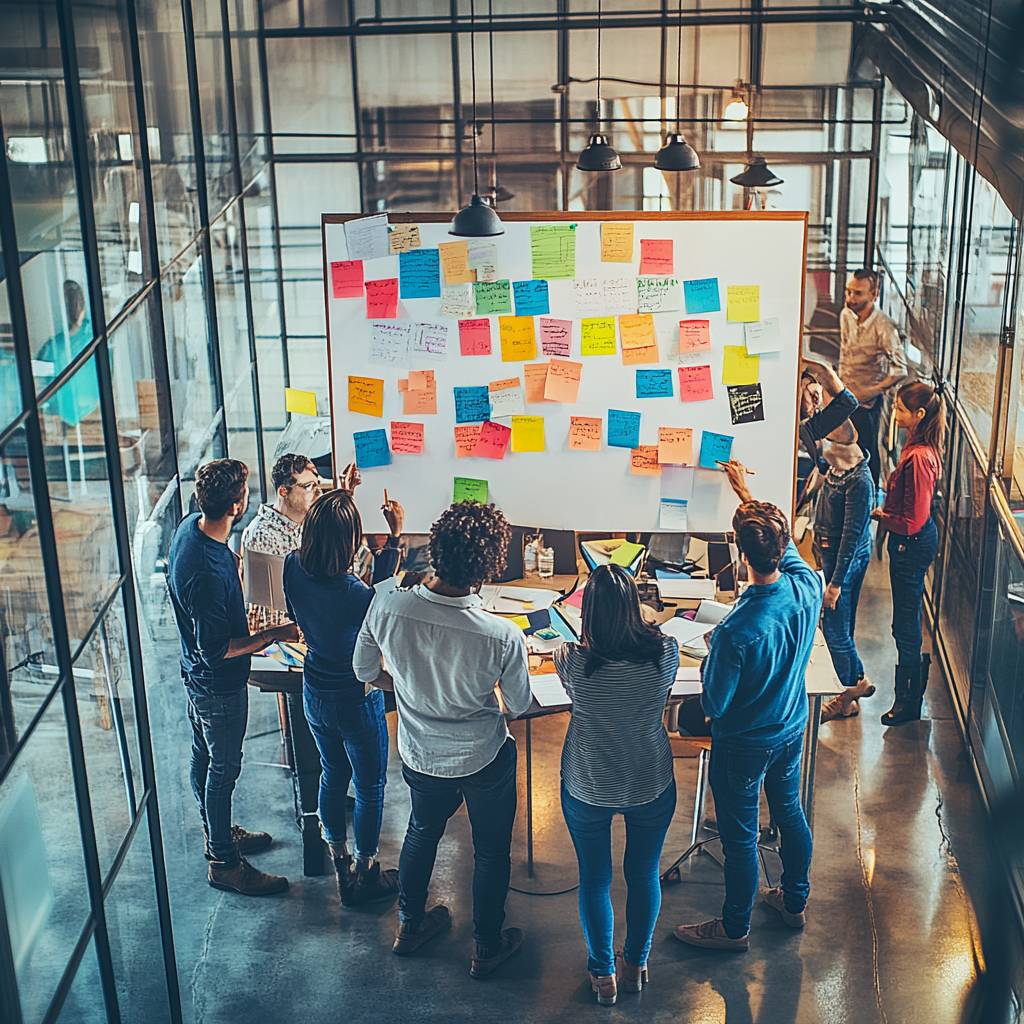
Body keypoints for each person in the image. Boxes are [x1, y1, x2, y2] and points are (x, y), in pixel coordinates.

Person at [352, 501, 531, 979]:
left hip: (420, 751)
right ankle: (487, 946)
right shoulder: (502, 633)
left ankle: (409, 926)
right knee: (491, 851)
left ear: (435, 548)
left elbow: (365, 671)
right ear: (488, 567)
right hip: (483, 757)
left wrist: (410, 687)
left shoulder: (387, 603)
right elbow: (518, 703)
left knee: (421, 831)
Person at [674, 462, 821, 951]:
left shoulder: (736, 631)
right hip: (790, 726)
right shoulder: (807, 585)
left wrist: (712, 649)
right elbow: (782, 543)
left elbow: (715, 703)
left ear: (741, 555)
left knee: (739, 838)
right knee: (790, 810)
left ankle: (734, 928)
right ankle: (793, 901)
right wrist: (745, 492)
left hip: (745, 744)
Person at [167, 459, 297, 896]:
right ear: (238, 505)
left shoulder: (191, 528)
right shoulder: (207, 574)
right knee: (222, 770)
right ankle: (223, 862)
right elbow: (217, 649)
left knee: (203, 757)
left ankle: (217, 833)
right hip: (217, 686)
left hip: (194, 678)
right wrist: (272, 634)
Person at [555, 564, 679, 1006]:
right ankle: (635, 966)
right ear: (634, 607)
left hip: (589, 782)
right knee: (643, 873)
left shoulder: (573, 661)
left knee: (595, 879)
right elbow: (658, 641)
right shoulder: (665, 653)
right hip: (649, 779)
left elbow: (568, 655)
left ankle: (602, 973)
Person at [283, 488, 405, 908]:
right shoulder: (356, 594)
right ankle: (367, 872)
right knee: (370, 785)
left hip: (314, 690)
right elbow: (384, 606)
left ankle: (340, 862)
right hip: (355, 697)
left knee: (331, 774)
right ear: (350, 543)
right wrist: (394, 541)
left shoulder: (291, 568)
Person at [872, 381, 945, 726]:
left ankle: (908, 702)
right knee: (907, 616)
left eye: (902, 410)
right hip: (913, 542)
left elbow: (913, 521)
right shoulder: (918, 447)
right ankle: (910, 696)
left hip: (911, 544)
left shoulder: (917, 457)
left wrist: (882, 516)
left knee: (905, 622)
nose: (896, 414)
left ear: (919, 414)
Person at [816, 414, 877, 722]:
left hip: (843, 561)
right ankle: (847, 700)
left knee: (836, 631)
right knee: (843, 628)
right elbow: (810, 442)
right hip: (832, 555)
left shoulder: (860, 481)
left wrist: (835, 584)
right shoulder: (838, 469)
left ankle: (856, 684)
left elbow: (851, 538)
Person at [838, 268, 908, 489]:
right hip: (844, 396)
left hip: (867, 405)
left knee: (866, 454)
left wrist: (872, 390)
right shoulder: (845, 314)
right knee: (843, 449)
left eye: (858, 294)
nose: (850, 298)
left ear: (874, 294)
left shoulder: (884, 327)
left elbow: (900, 369)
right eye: (848, 292)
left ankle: (868, 499)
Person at [241, 453, 322, 556]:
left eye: (318, 485)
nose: (319, 493)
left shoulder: (308, 525)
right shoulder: (262, 535)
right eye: (309, 487)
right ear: (283, 492)